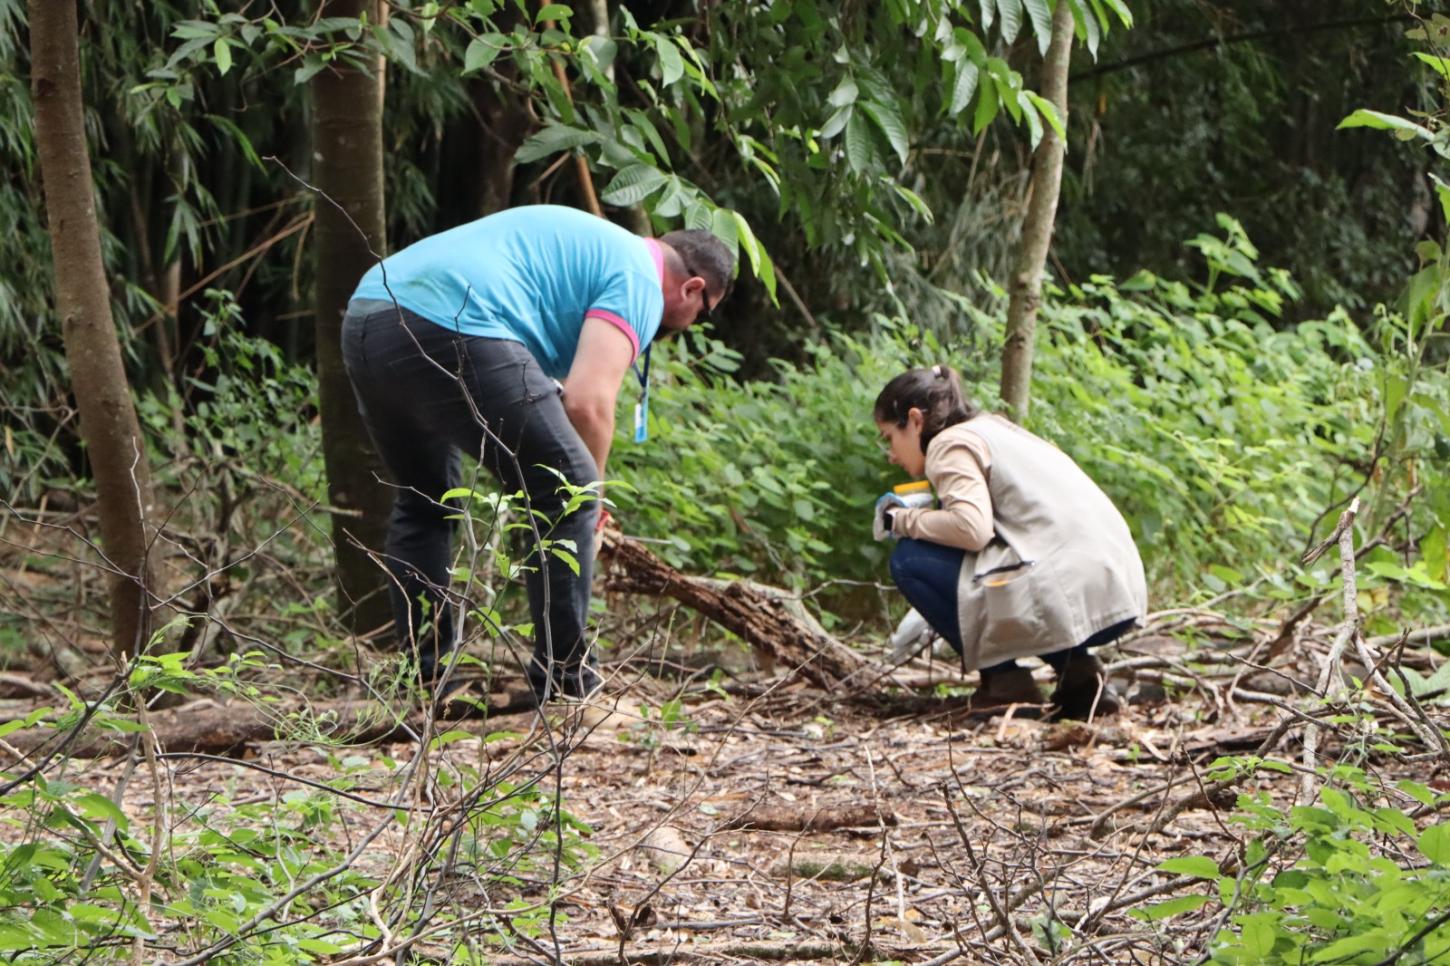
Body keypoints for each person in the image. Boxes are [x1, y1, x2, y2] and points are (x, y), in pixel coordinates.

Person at [341, 204, 734, 703]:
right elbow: (588, 402)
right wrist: (590, 503)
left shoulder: (596, 248)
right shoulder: (639, 276)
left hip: (368, 316)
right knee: (569, 489)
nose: (689, 325)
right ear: (693, 290)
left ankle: (427, 684)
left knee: (424, 504)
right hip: (454, 321)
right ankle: (568, 686)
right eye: (702, 315)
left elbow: (553, 398)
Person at [872, 365, 1147, 719]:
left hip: (1070, 590)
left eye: (889, 437)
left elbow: (972, 529)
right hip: (1114, 586)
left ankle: (1005, 683)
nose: (891, 454)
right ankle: (1081, 678)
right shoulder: (994, 428)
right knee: (994, 566)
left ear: (914, 421)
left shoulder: (948, 443)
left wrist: (901, 520)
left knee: (910, 559)